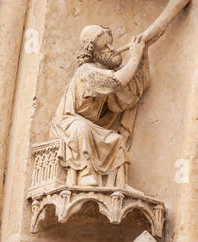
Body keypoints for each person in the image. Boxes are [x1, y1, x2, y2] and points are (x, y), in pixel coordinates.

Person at [51, 26, 150, 186]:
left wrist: (142, 56)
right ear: (93, 53)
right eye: (104, 47)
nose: (111, 49)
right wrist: (133, 58)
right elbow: (116, 82)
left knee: (116, 139)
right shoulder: (87, 71)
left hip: (92, 128)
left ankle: (116, 183)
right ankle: (84, 172)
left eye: (111, 44)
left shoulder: (105, 72)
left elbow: (126, 98)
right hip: (68, 124)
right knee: (80, 128)